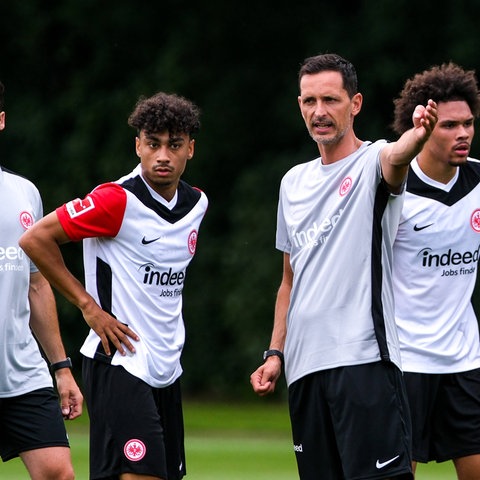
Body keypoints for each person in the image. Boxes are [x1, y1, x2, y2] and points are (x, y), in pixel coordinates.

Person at [249, 53, 438, 480]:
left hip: (364, 363)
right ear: (299, 104)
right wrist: (275, 352)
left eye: (331, 100)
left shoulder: (374, 161)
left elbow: (398, 158)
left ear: (355, 104)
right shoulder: (292, 182)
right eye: (309, 101)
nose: (319, 112)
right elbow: (288, 280)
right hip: (304, 371)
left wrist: (418, 136)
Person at [19, 91, 208, 480]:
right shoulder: (115, 200)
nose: (162, 156)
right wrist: (89, 306)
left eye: (174, 146)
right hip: (118, 360)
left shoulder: (197, 204)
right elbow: (35, 238)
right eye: (153, 144)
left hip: (166, 367)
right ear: (138, 145)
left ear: (191, 149)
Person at [391, 62, 480, 480]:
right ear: (423, 128)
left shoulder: (479, 180)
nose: (462, 133)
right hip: (404, 362)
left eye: (468, 123)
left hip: (466, 360)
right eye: (448, 125)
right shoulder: (392, 190)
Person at [0, 80, 83, 479]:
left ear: (0, 121)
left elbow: (36, 284)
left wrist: (62, 367)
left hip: (23, 372)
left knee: (57, 472)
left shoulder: (23, 193)